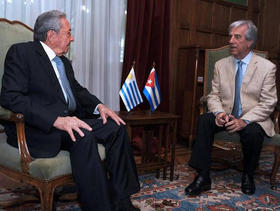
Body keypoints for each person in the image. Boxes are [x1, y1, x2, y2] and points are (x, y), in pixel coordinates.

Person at [0, 10, 140, 211]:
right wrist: (55, 120)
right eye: (68, 32)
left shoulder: (63, 62)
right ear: (51, 35)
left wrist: (99, 106)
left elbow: (78, 91)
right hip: (40, 126)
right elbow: (11, 97)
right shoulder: (22, 53)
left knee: (116, 127)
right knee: (84, 136)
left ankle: (121, 200)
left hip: (71, 120)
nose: (72, 38)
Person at [185, 20, 277, 196]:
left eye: (237, 37)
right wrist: (219, 113)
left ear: (249, 42)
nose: (231, 41)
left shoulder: (267, 68)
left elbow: (268, 103)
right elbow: (213, 95)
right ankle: (203, 176)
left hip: (252, 118)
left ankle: (248, 175)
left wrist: (245, 120)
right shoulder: (221, 64)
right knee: (205, 120)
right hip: (226, 114)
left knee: (253, 132)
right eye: (230, 36)